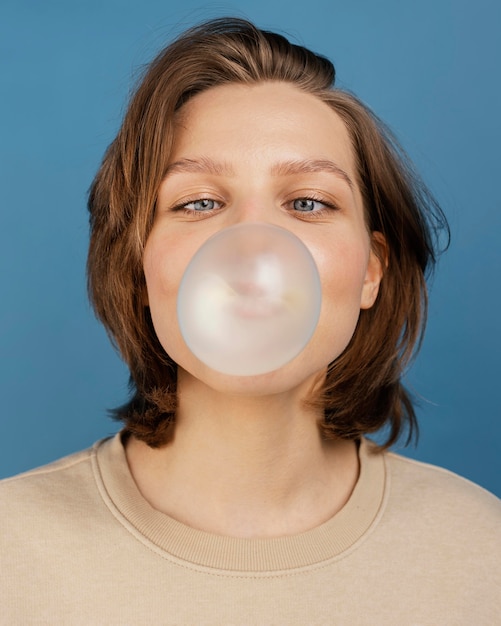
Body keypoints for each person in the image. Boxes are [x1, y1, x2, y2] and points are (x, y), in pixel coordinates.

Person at [1, 18, 499, 625]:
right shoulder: (12, 554)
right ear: (139, 270)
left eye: (308, 202)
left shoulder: (481, 554)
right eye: (200, 202)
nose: (252, 247)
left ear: (371, 270)